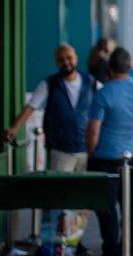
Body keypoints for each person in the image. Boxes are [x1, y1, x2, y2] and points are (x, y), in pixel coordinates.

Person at [84, 47, 133, 256]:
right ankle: (128, 252)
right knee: (130, 206)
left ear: (109, 69)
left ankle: (111, 253)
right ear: (129, 67)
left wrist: (91, 151)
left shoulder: (103, 93)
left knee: (107, 207)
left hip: (106, 158)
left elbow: (93, 129)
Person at [4, 45, 100, 173]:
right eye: (61, 60)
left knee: (86, 191)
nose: (66, 62)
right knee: (61, 190)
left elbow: (108, 105)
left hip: (87, 150)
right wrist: (14, 128)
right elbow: (30, 107)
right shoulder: (49, 84)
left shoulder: (92, 83)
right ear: (57, 62)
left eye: (69, 58)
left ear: (76, 58)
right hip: (60, 151)